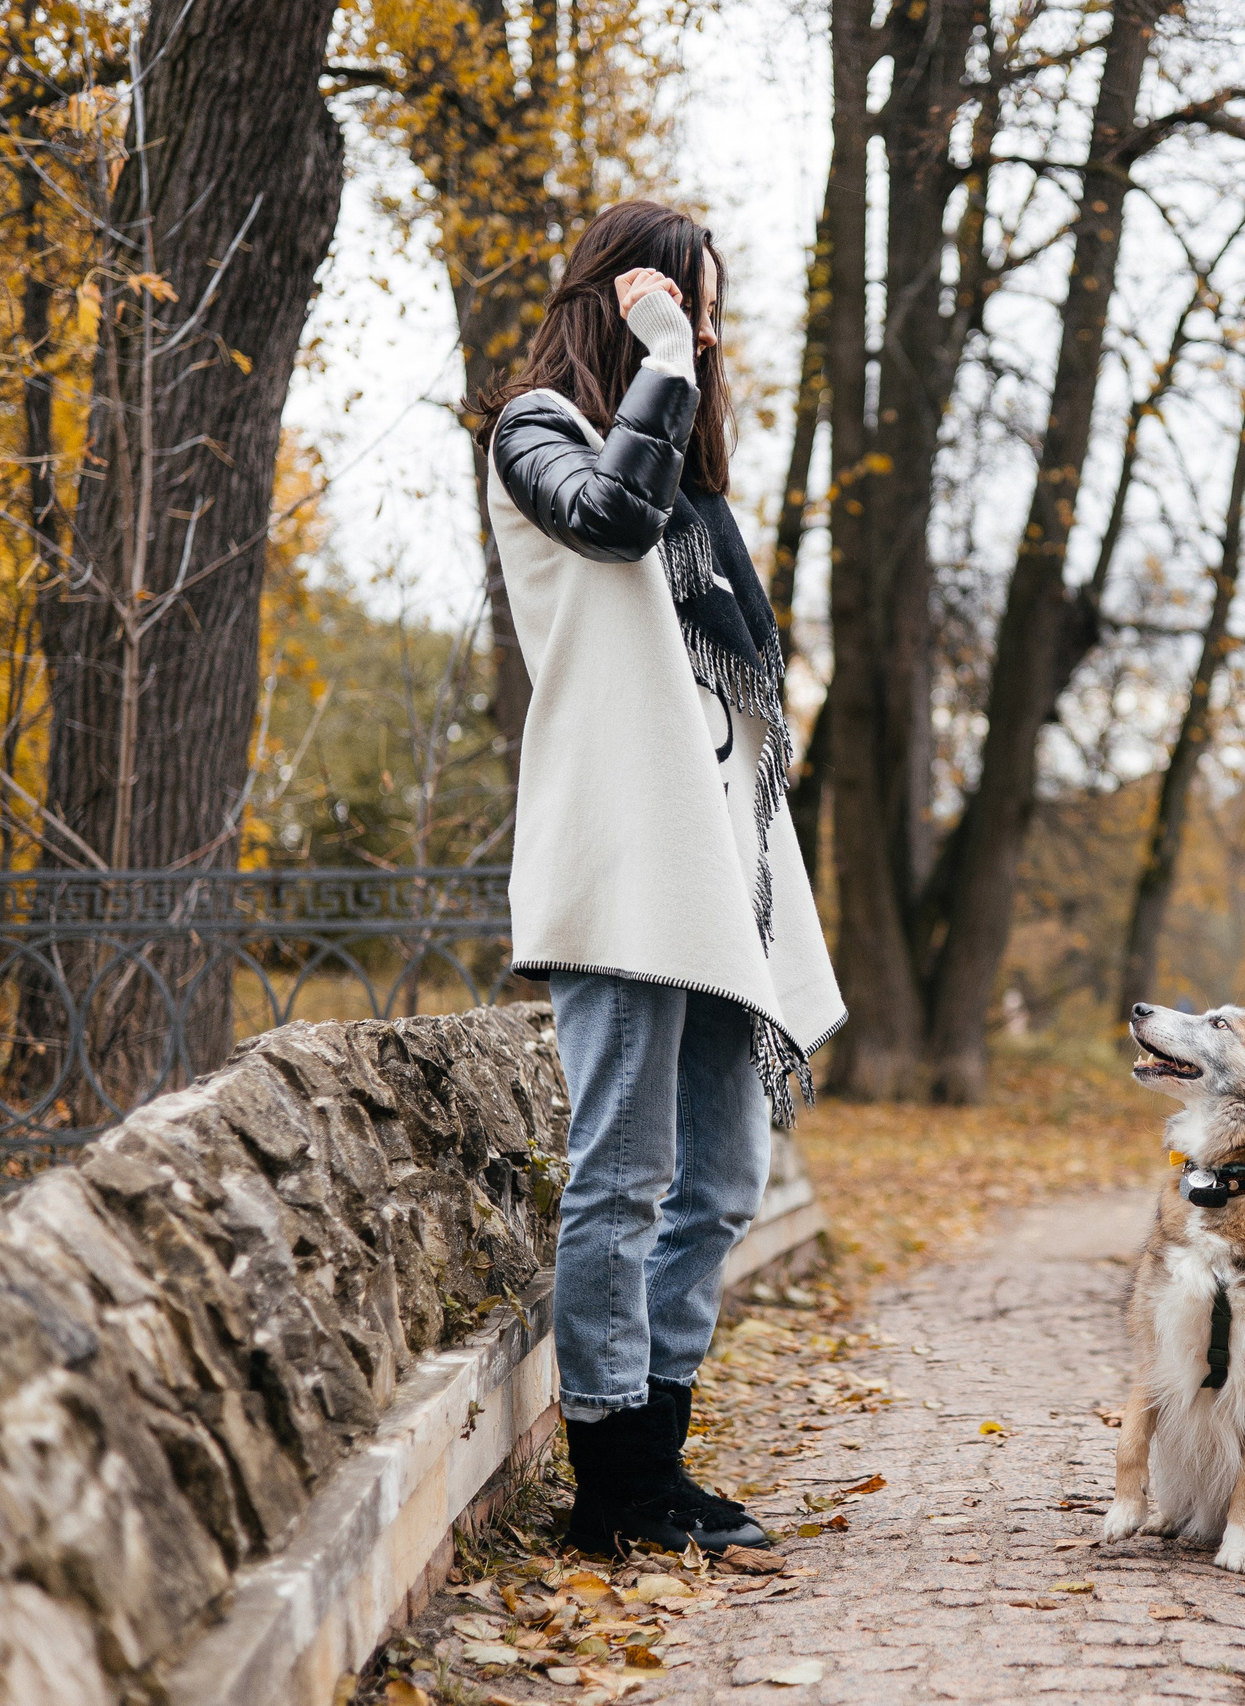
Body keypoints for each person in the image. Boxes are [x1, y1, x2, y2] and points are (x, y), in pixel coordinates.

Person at [471, 199, 844, 1556]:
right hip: (622, 858)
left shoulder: (689, 490)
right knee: (624, 1175)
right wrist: (668, 365)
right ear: (623, 303)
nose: (704, 333)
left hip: (706, 874)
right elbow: (609, 526)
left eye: (706, 314)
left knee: (723, 1174)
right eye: (685, 305)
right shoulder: (537, 432)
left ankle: (659, 1458)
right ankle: (615, 1484)